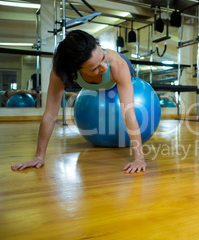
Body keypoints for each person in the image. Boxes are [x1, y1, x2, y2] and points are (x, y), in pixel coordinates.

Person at [11, 30, 146, 174]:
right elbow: (50, 115)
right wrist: (38, 156)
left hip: (123, 68)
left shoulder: (116, 65)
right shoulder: (61, 72)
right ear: (75, 70)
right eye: (95, 68)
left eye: (103, 57)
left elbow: (129, 113)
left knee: (121, 77)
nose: (104, 67)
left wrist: (139, 158)